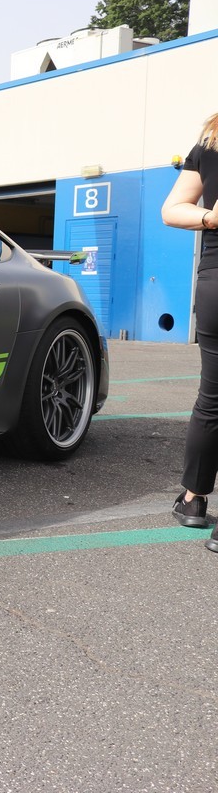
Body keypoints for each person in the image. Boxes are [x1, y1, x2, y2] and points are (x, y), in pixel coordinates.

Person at [162, 111, 218, 550]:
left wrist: (210, 220)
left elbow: (173, 209)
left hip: (216, 284)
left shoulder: (211, 141)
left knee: (213, 400)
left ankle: (194, 499)